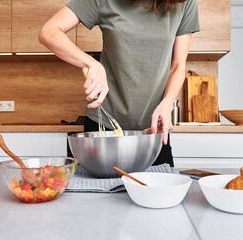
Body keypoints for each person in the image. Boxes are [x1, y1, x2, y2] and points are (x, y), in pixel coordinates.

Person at [39, 0, 200, 167]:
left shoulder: (185, 2)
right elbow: (49, 32)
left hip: (154, 132)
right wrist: (91, 63)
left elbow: (178, 65)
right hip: (103, 129)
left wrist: (168, 102)